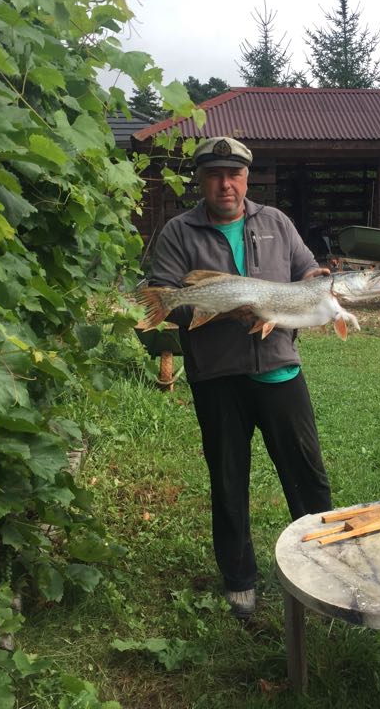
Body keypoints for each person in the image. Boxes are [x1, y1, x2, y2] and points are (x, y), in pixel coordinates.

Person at [147, 136, 333, 618]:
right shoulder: (178, 232)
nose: (225, 184)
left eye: (234, 175)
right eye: (214, 175)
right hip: (217, 377)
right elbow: (166, 302)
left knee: (307, 476)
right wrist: (224, 309)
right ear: (202, 179)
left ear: (246, 178)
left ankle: (321, 569)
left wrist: (319, 280)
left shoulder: (275, 222)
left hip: (278, 369)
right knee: (229, 480)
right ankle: (239, 578)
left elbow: (306, 271)